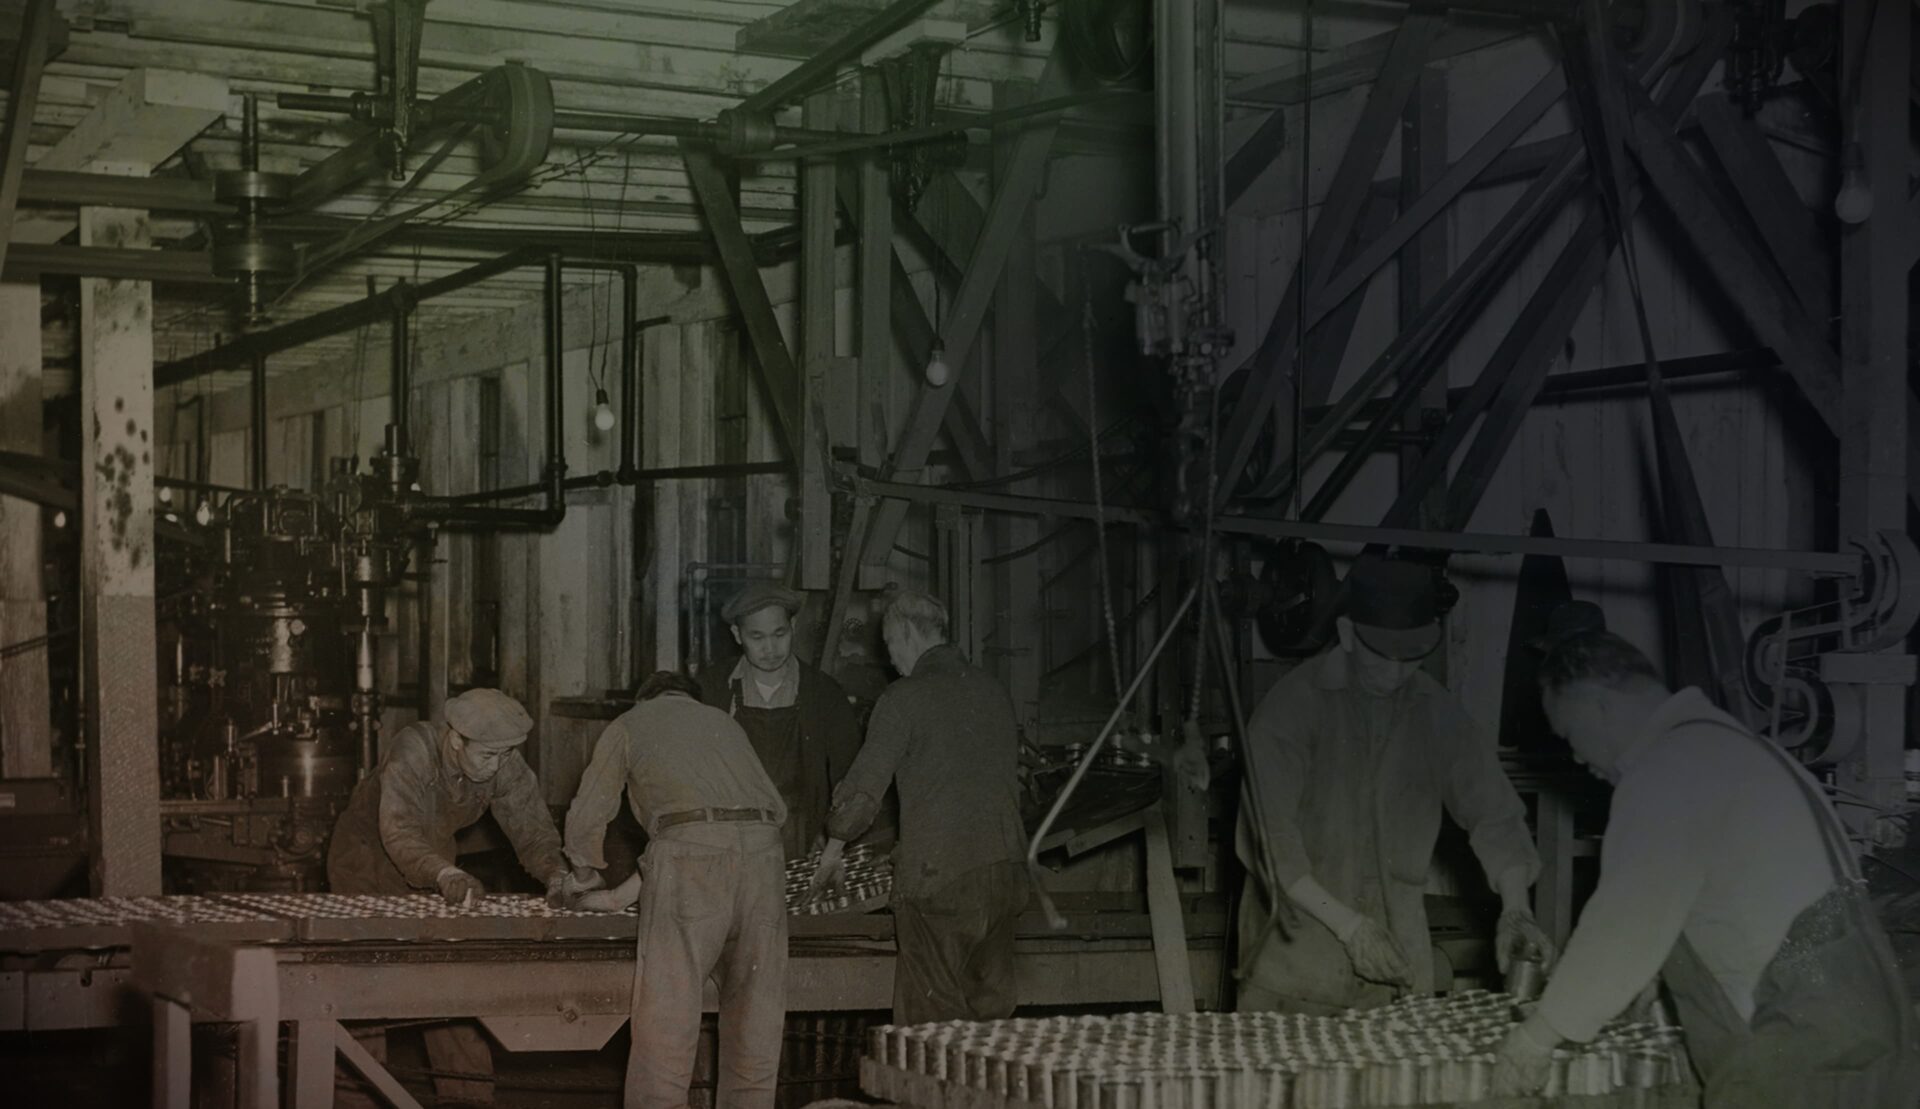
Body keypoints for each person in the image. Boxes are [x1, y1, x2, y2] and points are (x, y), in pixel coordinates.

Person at [1491, 630, 1920, 1106]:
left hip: (1804, 1047)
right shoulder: (1740, 749)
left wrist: (1537, 1036)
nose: (1575, 756)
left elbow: (1626, 923)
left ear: (1599, 705)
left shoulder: (1670, 767)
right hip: (1860, 1037)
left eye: (1570, 735)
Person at [1235, 552, 1549, 1014]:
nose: (1400, 672)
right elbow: (1269, 836)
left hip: (1398, 973)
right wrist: (1349, 927)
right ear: (1346, 633)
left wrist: (1516, 907)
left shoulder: (1437, 712)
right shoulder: (1292, 708)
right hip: (1297, 970)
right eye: (1384, 655)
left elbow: (1494, 811)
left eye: (1414, 657)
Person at [326, 687, 575, 1107]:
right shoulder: (414, 749)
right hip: (366, 864)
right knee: (367, 987)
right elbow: (400, 832)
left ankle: (467, 1099)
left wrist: (558, 875)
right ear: (455, 739)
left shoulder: (502, 760)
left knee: (450, 983)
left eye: (506, 755)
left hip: (437, 864)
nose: (497, 766)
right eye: (488, 756)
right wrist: (445, 873)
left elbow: (532, 830)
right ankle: (358, 1100)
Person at [564, 670, 788, 1109]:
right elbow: (716, 828)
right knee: (755, 1030)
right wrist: (618, 897)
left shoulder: (630, 723)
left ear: (643, 700)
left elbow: (589, 819)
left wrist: (584, 875)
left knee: (665, 1032)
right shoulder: (725, 723)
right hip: (765, 859)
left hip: (689, 862)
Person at [810, 588, 1029, 1025]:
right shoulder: (993, 690)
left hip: (940, 883)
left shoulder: (902, 698)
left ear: (907, 633)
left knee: (932, 1033)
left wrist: (832, 850)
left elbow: (860, 797)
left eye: (891, 646)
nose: (892, 661)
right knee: (992, 1026)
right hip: (1006, 877)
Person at [699, 581, 864, 859]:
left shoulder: (824, 693)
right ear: (737, 635)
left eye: (779, 634)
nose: (771, 648)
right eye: (757, 637)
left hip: (802, 837)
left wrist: (830, 834)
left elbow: (848, 775)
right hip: (728, 837)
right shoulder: (712, 689)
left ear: (793, 626)